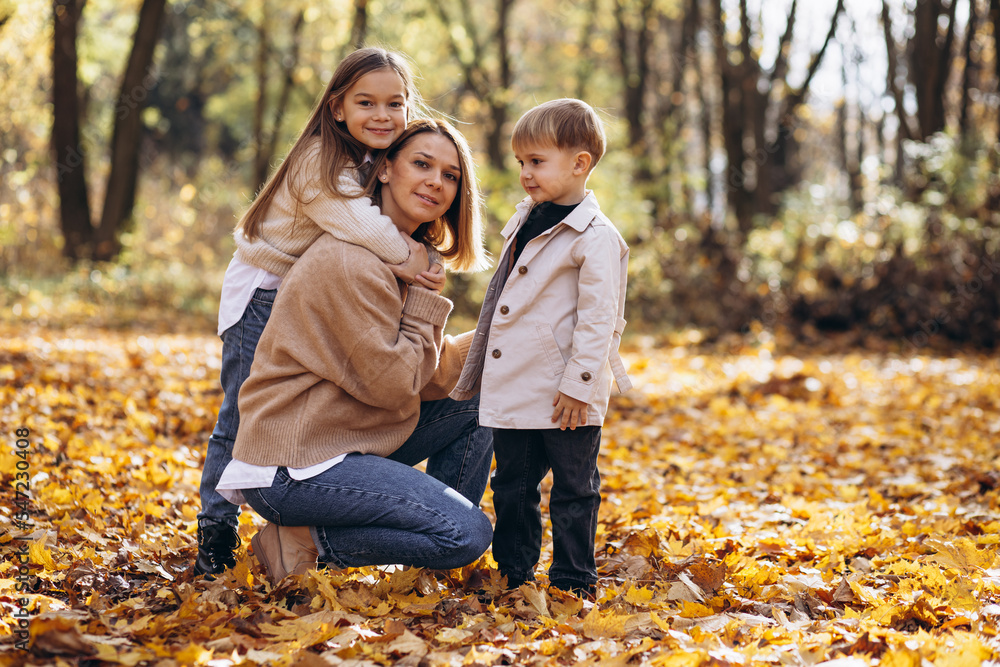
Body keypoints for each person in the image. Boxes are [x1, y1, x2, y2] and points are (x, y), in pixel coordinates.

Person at [195, 47, 451, 575]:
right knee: (240, 416)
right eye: (366, 103)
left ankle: (313, 497)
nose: (382, 116)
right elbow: (364, 229)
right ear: (337, 108)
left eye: (395, 104)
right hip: (263, 291)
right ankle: (215, 533)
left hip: (303, 289)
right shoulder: (319, 160)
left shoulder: (367, 160)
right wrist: (417, 260)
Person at [216, 119, 493, 584]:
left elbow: (427, 373)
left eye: (450, 175)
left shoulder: (404, 257)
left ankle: (426, 567)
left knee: (479, 395)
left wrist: (498, 346)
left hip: (343, 440)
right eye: (421, 164)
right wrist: (425, 305)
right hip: (293, 466)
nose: (435, 182)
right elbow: (395, 385)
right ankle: (303, 540)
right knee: (465, 534)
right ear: (384, 169)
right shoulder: (353, 261)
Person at [450, 98, 631, 598]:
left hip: (566, 393)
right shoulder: (528, 218)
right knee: (512, 486)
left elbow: (599, 321)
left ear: (580, 164)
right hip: (517, 385)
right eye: (521, 163)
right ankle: (515, 573)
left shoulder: (594, 237)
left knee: (574, 489)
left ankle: (573, 579)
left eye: (537, 161)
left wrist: (578, 386)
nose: (526, 173)